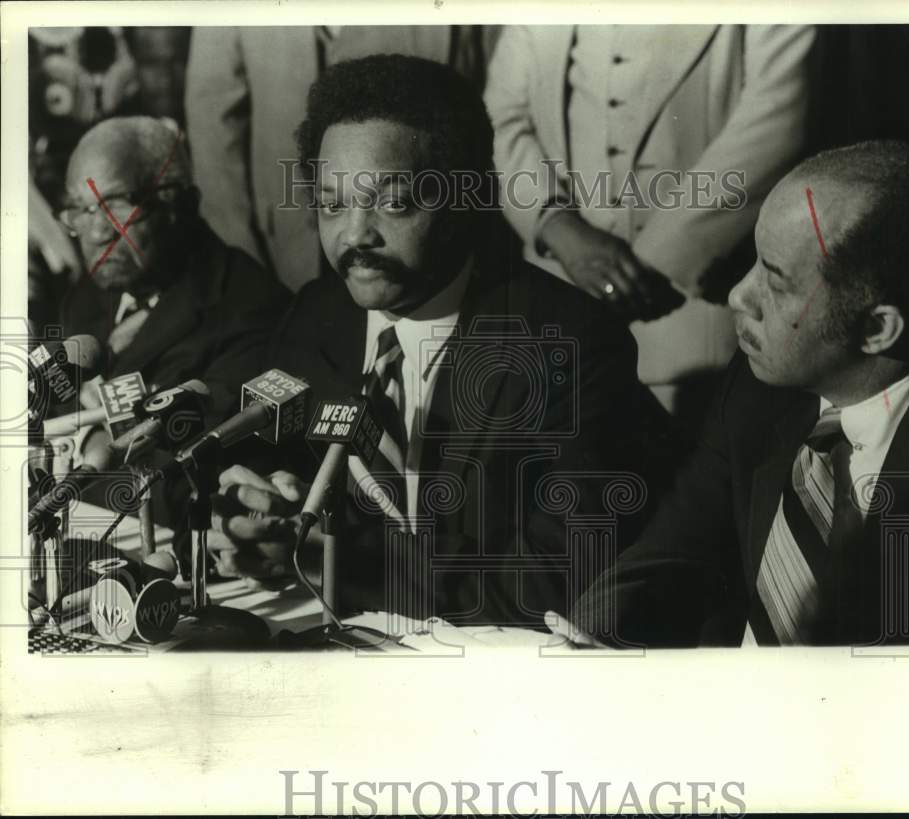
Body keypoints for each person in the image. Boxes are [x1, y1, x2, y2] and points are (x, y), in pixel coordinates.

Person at [208, 55, 676, 629]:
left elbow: (553, 585)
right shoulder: (315, 315)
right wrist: (253, 509)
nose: (355, 235)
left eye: (395, 202)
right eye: (332, 205)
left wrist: (329, 559)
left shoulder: (572, 345)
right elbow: (261, 461)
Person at [566, 141, 909, 648]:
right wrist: (588, 638)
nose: (739, 295)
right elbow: (671, 552)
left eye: (776, 282)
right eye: (753, 262)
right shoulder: (757, 389)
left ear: (876, 330)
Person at [484, 25, 816, 424]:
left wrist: (650, 265)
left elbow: (777, 117)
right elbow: (501, 117)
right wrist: (555, 225)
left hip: (695, 313)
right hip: (555, 311)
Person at [184, 25, 498, 293]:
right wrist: (245, 265)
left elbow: (494, 103)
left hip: (427, 252)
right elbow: (212, 124)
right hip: (279, 251)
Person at [58, 116, 290, 449]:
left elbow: (203, 457)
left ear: (181, 204)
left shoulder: (251, 310)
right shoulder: (86, 297)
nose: (96, 233)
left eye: (118, 205)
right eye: (81, 209)